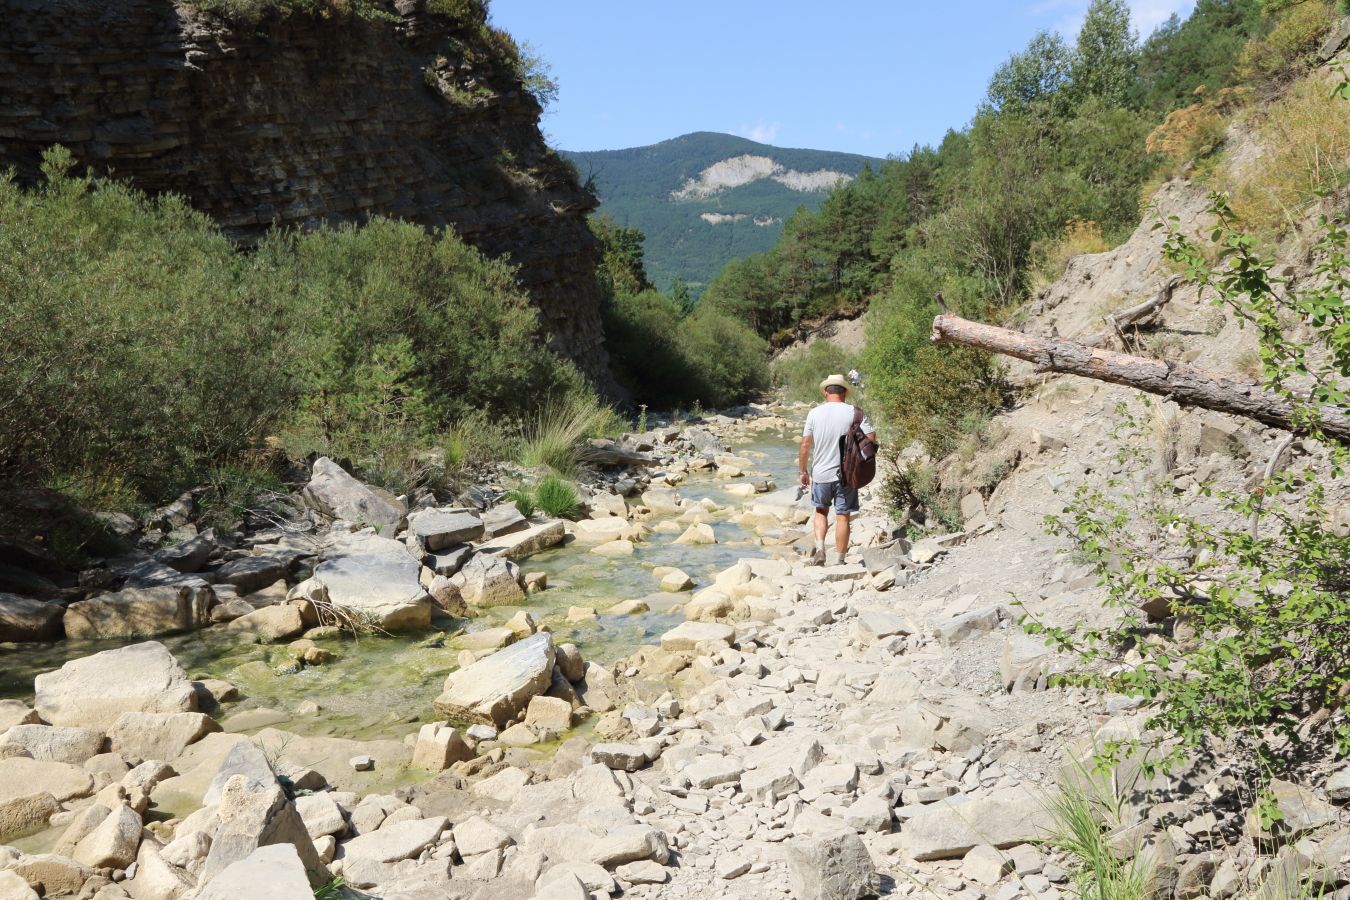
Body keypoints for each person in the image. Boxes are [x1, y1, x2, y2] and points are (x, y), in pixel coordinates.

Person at [799, 374, 877, 567]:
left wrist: (803, 471)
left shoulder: (814, 413)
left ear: (826, 391)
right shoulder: (855, 413)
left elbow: (805, 444)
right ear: (844, 392)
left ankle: (820, 550)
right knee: (843, 516)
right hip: (847, 473)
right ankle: (840, 560)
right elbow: (872, 437)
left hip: (821, 473)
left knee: (821, 511)